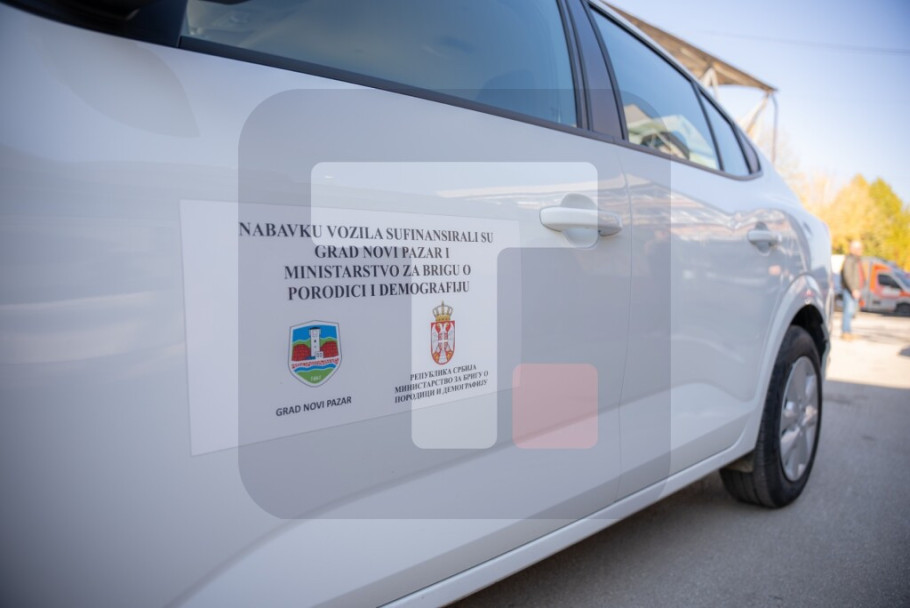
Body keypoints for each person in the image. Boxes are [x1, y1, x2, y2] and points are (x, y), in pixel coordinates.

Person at [840, 240, 865, 340]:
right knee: (848, 311)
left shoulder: (856, 260)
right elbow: (848, 276)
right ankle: (845, 332)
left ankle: (848, 331)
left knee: (851, 312)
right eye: (859, 248)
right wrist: (853, 289)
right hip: (850, 290)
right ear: (854, 249)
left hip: (855, 289)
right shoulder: (850, 260)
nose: (861, 250)